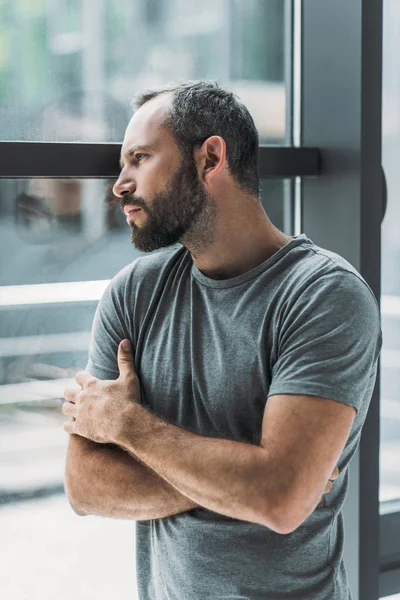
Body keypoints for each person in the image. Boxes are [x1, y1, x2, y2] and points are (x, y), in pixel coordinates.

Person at [62, 80, 382, 600]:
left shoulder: (325, 296)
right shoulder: (133, 294)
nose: (119, 185)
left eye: (140, 158)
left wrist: (129, 426)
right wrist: (252, 481)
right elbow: (85, 487)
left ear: (211, 157)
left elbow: (278, 498)